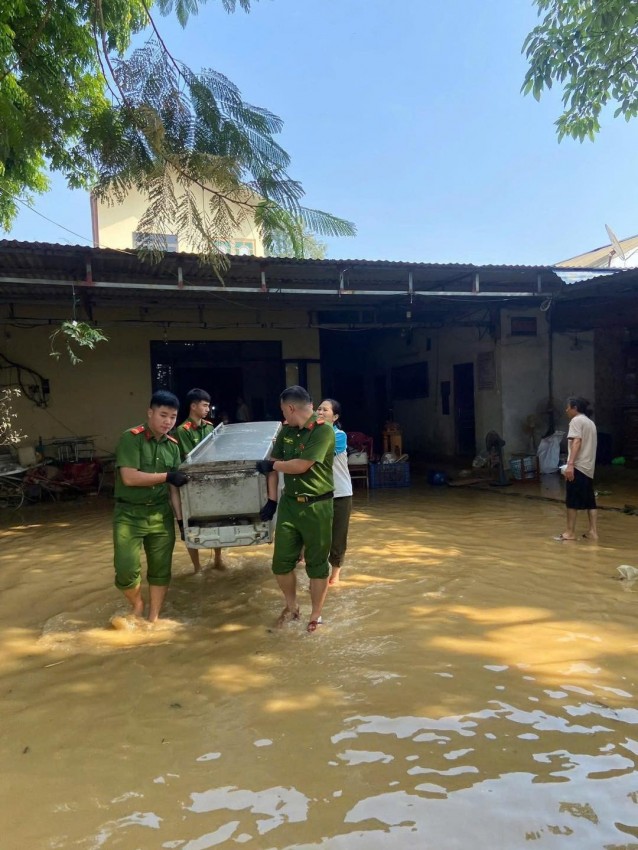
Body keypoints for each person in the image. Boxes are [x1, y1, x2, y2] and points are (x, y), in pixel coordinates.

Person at [256, 385, 335, 633]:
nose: (284, 415)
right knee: (280, 563)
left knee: (317, 564)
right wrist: (272, 501)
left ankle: (316, 615)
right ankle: (291, 607)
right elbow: (272, 463)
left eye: (283, 410)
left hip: (318, 505)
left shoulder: (323, 431)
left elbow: (300, 465)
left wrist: (274, 466)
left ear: (290, 408)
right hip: (290, 504)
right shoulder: (286, 431)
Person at [113, 390, 189, 622]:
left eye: (173, 417)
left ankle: (153, 617)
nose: (168, 422)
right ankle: (137, 604)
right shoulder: (131, 438)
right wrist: (167, 476)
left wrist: (181, 521)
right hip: (129, 515)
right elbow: (130, 478)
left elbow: (174, 490)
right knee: (125, 570)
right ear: (150, 413)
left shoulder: (173, 446)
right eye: (163, 415)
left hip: (160, 515)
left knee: (160, 570)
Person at [174, 388, 224, 572]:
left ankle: (218, 559)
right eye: (204, 405)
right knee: (191, 523)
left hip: (211, 480)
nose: (207, 408)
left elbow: (215, 452)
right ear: (193, 406)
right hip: (191, 482)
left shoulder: (210, 427)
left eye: (208, 405)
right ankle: (197, 567)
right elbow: (189, 457)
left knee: (217, 520)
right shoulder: (182, 430)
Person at [316, 398, 353, 585]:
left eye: (325, 410)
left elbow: (319, 455)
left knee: (338, 535)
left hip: (340, 493)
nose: (320, 412)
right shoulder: (311, 434)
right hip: (320, 493)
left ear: (335, 416)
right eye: (318, 409)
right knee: (318, 534)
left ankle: (335, 574)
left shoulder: (339, 435)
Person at [555, 396, 598, 542]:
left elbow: (576, 442)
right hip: (589, 468)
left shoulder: (576, 421)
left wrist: (570, 465)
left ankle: (570, 533)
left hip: (578, 467)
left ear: (575, 408)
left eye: (568, 407)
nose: (566, 410)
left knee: (572, 501)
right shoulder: (590, 423)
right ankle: (593, 531)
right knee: (590, 501)